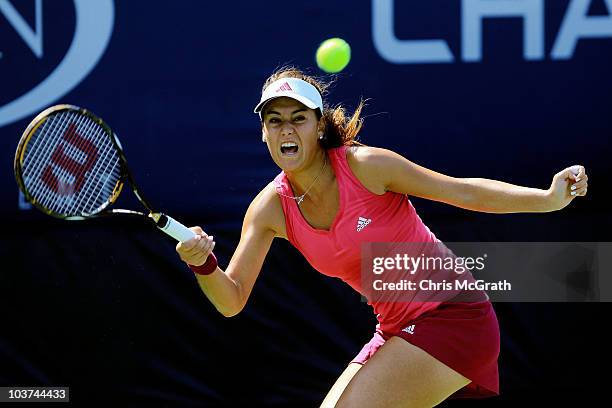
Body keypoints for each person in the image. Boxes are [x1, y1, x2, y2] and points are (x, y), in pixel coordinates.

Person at [176, 67, 589, 407]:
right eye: (274, 121)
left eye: (298, 118)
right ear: (263, 133)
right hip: (396, 329)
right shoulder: (269, 209)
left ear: (319, 126)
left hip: (454, 316)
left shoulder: (367, 167)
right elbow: (231, 299)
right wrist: (202, 262)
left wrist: (548, 199)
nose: (287, 130)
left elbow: (464, 192)